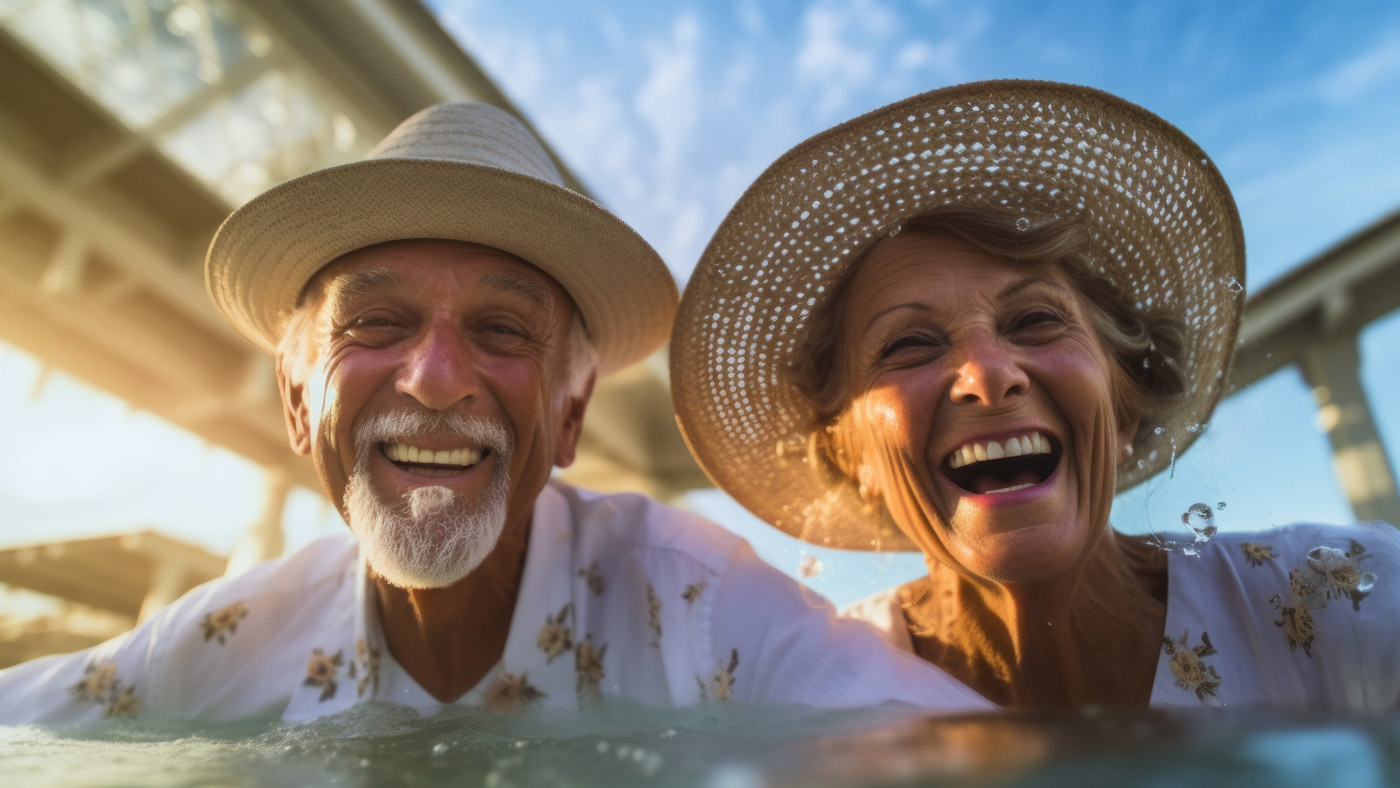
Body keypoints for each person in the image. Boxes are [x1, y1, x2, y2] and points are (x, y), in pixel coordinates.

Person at [0, 102, 990, 723]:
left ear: (569, 414)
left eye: (503, 331)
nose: (435, 378)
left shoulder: (695, 604)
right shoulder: (228, 642)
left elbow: (950, 747)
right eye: (376, 322)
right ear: (297, 401)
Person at [670, 80, 1400, 709]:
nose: (989, 375)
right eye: (909, 345)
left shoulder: (1341, 602)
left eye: (1034, 321)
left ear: (1125, 407)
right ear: (852, 455)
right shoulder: (807, 697)